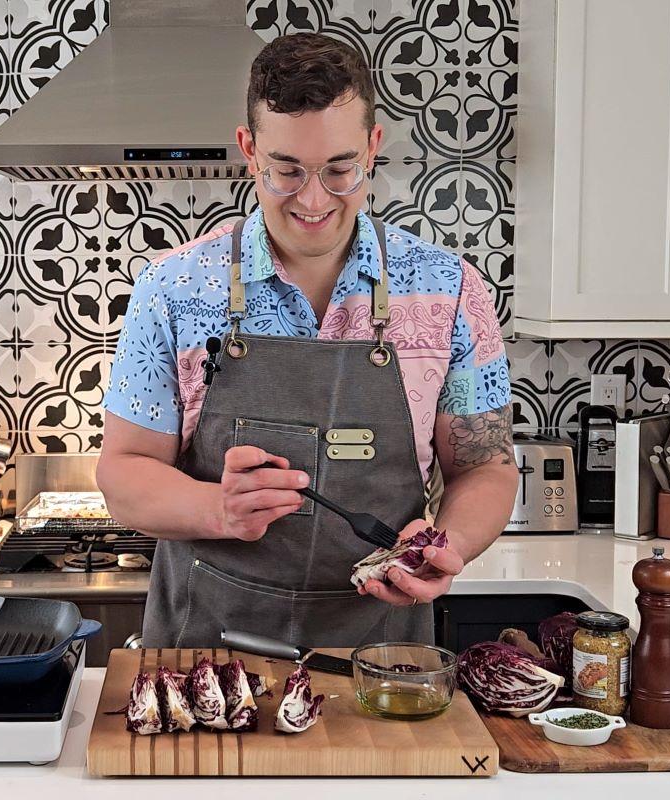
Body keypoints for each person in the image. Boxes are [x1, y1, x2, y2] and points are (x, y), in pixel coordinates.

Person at [96, 32, 517, 648]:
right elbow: (124, 472)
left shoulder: (450, 290)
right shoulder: (174, 288)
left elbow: (486, 467)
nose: (314, 199)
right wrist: (220, 509)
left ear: (373, 148)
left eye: (340, 169)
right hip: (208, 647)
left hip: (384, 657)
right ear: (248, 150)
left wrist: (442, 545)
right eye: (286, 170)